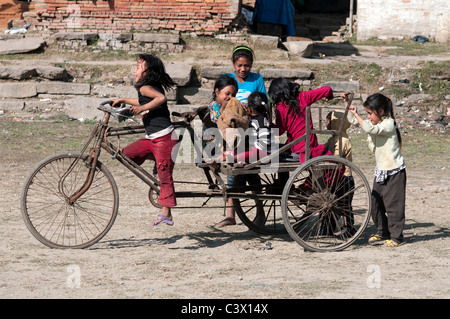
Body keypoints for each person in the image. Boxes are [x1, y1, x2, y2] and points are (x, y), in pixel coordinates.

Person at [112, 53, 178, 228]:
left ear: (148, 73)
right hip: (154, 139)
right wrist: (124, 100)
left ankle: (166, 213)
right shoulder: (147, 88)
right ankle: (159, 158)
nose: (135, 70)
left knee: (164, 177)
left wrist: (141, 108)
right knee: (126, 154)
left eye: (139, 67)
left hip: (164, 138)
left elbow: (161, 99)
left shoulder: (146, 87)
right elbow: (144, 99)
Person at [347, 93, 406, 247]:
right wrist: (349, 106)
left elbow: (370, 129)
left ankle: (396, 237)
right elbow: (354, 121)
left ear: (381, 112)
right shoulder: (376, 122)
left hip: (394, 171)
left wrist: (358, 115)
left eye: (370, 113)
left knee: (393, 206)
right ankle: (382, 232)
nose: (368, 117)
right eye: (367, 113)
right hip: (381, 170)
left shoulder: (388, 124)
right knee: (375, 204)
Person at [268, 77, 335, 163]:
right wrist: (329, 97)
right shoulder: (304, 96)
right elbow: (327, 89)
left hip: (296, 149)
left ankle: (284, 177)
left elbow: (279, 131)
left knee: (278, 153)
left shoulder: (281, 107)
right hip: (310, 145)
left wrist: (269, 123)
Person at [325, 109, 355, 236]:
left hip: (344, 177)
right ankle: (327, 228)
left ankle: (348, 228)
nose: (326, 125)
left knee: (344, 205)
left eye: (328, 122)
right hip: (335, 177)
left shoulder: (342, 141)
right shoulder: (333, 138)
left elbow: (335, 157)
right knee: (331, 204)